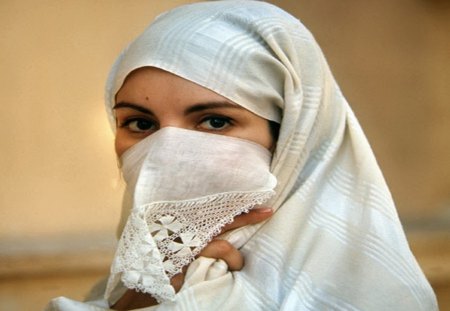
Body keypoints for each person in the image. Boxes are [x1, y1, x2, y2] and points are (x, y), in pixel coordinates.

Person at [45, 1, 438, 310]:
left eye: (214, 122)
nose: (167, 152)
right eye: (141, 124)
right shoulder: (120, 289)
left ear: (291, 137)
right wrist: (143, 295)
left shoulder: (375, 294)